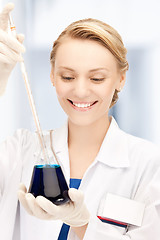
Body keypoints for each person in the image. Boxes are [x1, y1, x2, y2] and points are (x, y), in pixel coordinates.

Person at [0, 3, 160, 240]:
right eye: (68, 76)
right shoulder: (20, 150)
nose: (81, 90)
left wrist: (83, 224)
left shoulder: (149, 164)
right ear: (52, 76)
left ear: (121, 79)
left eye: (96, 78)